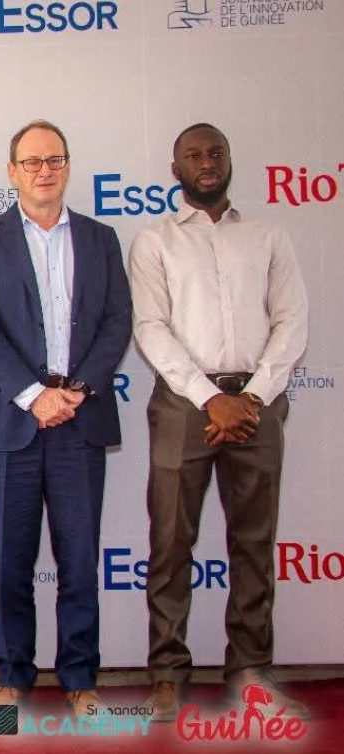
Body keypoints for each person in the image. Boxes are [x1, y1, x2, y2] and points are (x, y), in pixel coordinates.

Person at [130, 123, 309, 721]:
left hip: (258, 403)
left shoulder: (268, 235)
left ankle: (251, 674)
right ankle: (167, 674)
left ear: (230, 162)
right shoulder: (154, 241)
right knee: (171, 541)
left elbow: (291, 322)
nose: (206, 162)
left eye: (215, 153)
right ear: (175, 169)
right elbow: (151, 327)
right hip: (186, 404)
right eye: (193, 155)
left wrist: (251, 397)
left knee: (254, 545)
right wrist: (210, 398)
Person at [0, 120, 131, 721]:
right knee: (11, 560)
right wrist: (35, 394)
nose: (43, 170)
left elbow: (117, 322)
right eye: (30, 161)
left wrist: (76, 391)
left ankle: (81, 679)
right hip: (14, 425)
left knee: (79, 559)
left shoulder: (101, 238)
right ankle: (13, 680)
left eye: (54, 159)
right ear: (11, 171)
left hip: (80, 421)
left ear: (67, 167)